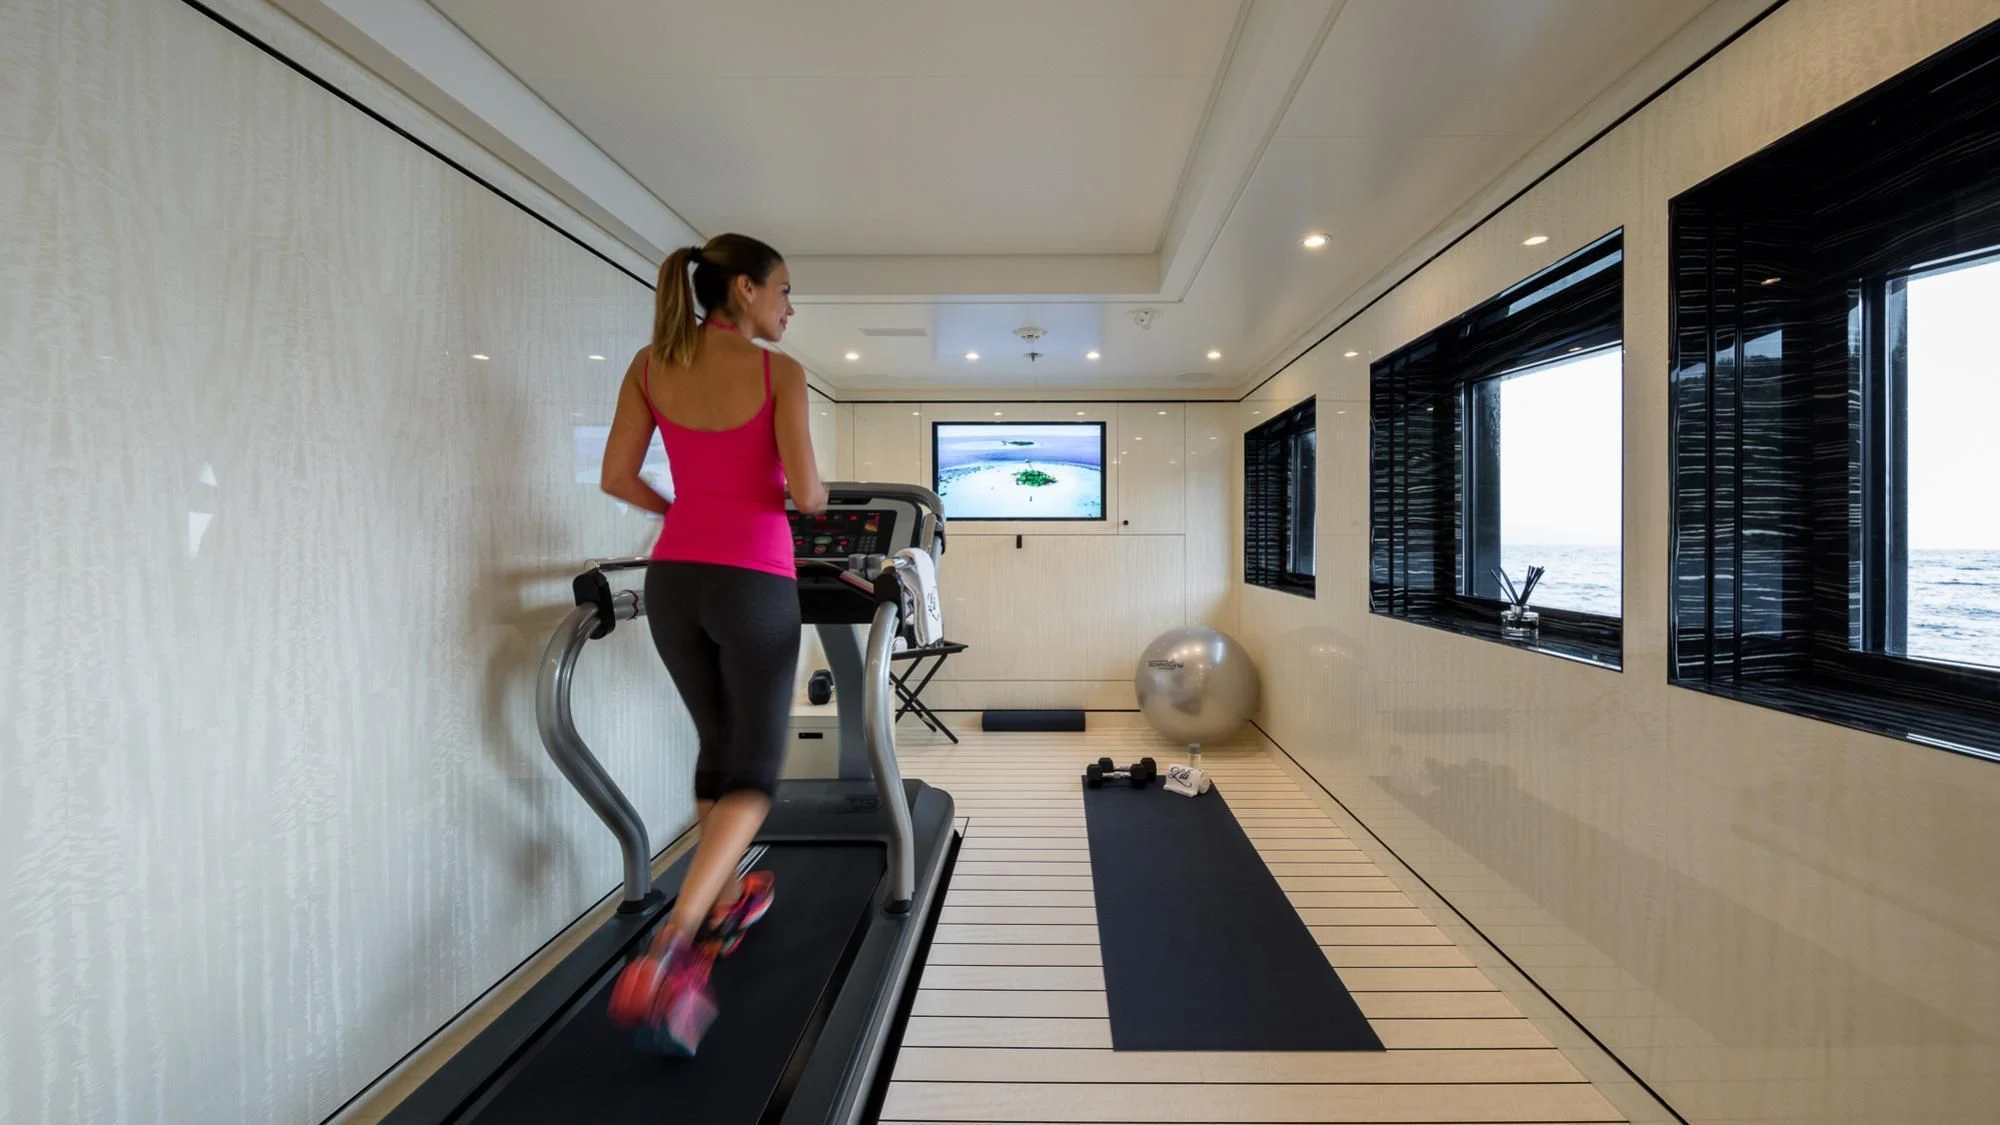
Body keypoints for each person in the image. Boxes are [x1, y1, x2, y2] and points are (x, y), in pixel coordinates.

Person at [596, 233, 828, 1054]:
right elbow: (806, 492)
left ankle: (727, 895)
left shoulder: (650, 360)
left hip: (674, 583)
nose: (790, 308)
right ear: (743, 289)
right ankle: (673, 947)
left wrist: (682, 513)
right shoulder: (780, 374)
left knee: (715, 748)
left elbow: (618, 477)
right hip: (753, 582)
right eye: (785, 291)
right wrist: (805, 491)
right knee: (755, 776)